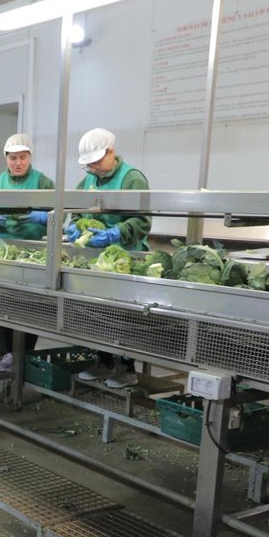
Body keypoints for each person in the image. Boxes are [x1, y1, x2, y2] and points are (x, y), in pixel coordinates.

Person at [64, 128, 152, 389]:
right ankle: (103, 362)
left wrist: (115, 233)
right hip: (96, 260)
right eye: (89, 164)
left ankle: (127, 369)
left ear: (111, 152)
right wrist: (75, 227)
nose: (93, 168)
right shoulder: (89, 180)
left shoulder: (132, 179)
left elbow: (142, 221)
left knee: (124, 316)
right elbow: (76, 212)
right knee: (97, 313)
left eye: (96, 162)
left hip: (126, 260)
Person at [0, 133, 55, 372]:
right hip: (2, 254)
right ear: (5, 158)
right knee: (5, 305)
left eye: (22, 157)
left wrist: (45, 217)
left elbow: (60, 216)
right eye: (13, 158)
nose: (18, 163)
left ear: (30, 157)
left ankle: (26, 355)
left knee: (31, 306)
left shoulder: (44, 182)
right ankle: (10, 352)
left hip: (34, 255)